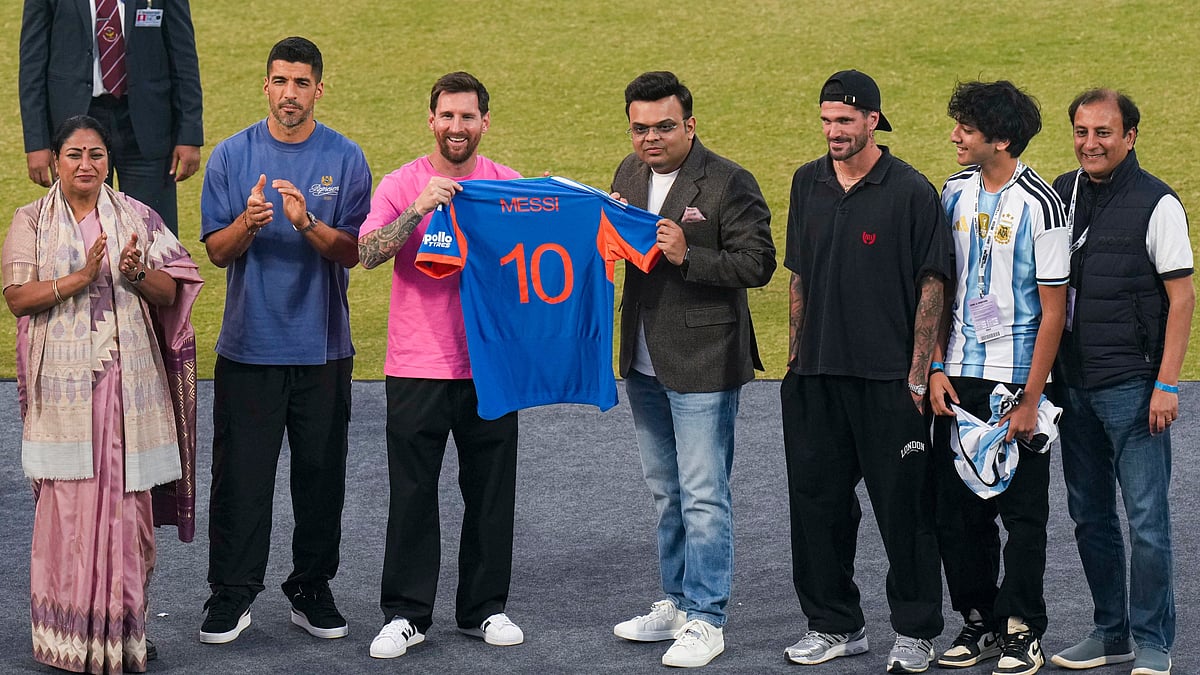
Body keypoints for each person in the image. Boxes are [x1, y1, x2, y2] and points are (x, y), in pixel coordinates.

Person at [3, 114, 202, 673]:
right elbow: (18, 298)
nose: (86, 164)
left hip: (126, 390)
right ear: (57, 163)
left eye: (95, 154)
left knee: (127, 508)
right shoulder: (30, 223)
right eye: (74, 155)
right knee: (67, 508)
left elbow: (173, 290)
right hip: (65, 394)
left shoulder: (137, 217)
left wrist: (136, 272)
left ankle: (125, 632)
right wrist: (80, 278)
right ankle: (68, 640)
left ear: (108, 162)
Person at [197, 37, 371, 645]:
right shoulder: (229, 156)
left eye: (301, 83)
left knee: (321, 477)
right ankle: (231, 594)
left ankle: (310, 588)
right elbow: (216, 253)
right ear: (265, 85)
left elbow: (355, 251)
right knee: (240, 478)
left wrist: (306, 224)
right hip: (248, 348)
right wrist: (247, 224)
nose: (289, 93)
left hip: (324, 351)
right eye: (280, 81)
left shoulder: (346, 158)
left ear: (319, 89)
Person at [780, 69, 952, 673]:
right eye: (826, 121)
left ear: (873, 120)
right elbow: (799, 273)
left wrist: (915, 374)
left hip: (888, 384)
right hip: (817, 380)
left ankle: (915, 630)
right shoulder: (807, 182)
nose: (833, 132)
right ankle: (834, 624)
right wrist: (796, 359)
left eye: (845, 121)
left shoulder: (911, 191)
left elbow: (932, 284)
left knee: (904, 511)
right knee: (817, 507)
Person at [608, 70, 776, 669]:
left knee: (704, 494)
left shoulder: (730, 180)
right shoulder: (627, 175)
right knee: (665, 491)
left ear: (690, 125)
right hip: (644, 358)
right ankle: (677, 602)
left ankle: (708, 617)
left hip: (706, 360)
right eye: (640, 128)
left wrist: (689, 254)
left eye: (663, 127)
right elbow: (619, 248)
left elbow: (759, 263)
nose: (650, 139)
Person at [358, 71, 525, 660]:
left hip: (490, 367)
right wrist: (418, 211)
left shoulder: (508, 184)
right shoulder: (403, 183)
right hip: (417, 364)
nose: (457, 127)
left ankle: (486, 609)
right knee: (411, 493)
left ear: (484, 122)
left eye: (468, 117)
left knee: (490, 492)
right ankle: (405, 614)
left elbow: (544, 241)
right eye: (447, 116)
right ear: (431, 120)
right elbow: (367, 253)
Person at [1047, 89, 1193, 675]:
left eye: (1104, 132)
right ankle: (1112, 632)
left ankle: (1154, 640)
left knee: (1147, 523)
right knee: (1089, 518)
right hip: (1071, 386)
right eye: (1082, 132)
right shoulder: (1059, 192)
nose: (1091, 143)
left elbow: (1181, 300)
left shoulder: (1158, 203)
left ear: (1130, 136)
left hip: (1134, 389)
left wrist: (1168, 385)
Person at [929, 81, 1068, 675]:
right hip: (958, 378)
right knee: (958, 513)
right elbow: (935, 288)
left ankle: (1022, 629)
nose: (955, 135)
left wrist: (1033, 398)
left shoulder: (1043, 203)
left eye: (966, 127)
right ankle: (979, 621)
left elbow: (1055, 309)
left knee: (1022, 514)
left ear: (1001, 139)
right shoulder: (951, 193)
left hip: (1018, 382)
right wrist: (935, 366)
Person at [19, 0, 204, 235]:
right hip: (76, 126)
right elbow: (32, 63)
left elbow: (183, 54)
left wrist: (189, 133)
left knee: (154, 235)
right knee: (82, 237)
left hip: (148, 125)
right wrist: (37, 142)